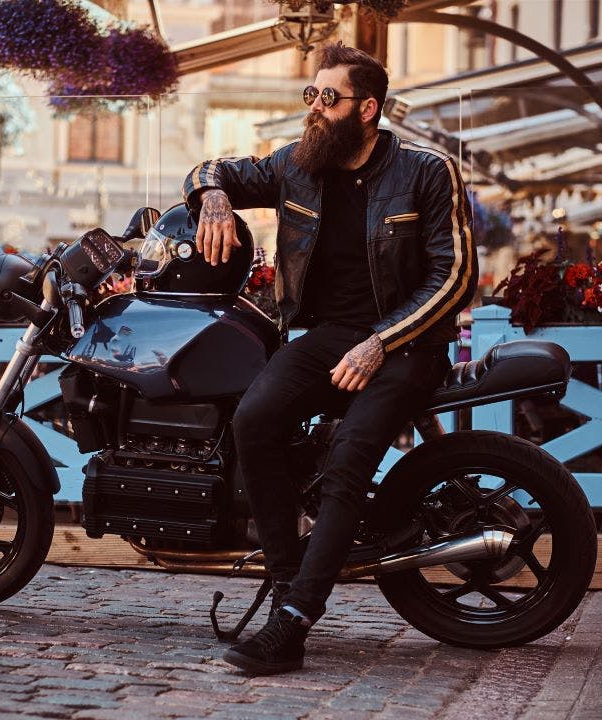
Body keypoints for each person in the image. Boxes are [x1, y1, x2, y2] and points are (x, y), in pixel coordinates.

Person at [183, 43, 476, 675]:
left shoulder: (427, 171)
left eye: (330, 98)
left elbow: (454, 276)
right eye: (310, 95)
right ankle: (286, 584)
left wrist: (381, 342)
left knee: (348, 464)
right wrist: (212, 197)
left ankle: (291, 627)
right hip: (325, 338)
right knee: (254, 421)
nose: (315, 109)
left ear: (368, 108)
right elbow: (217, 169)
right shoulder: (298, 165)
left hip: (404, 344)